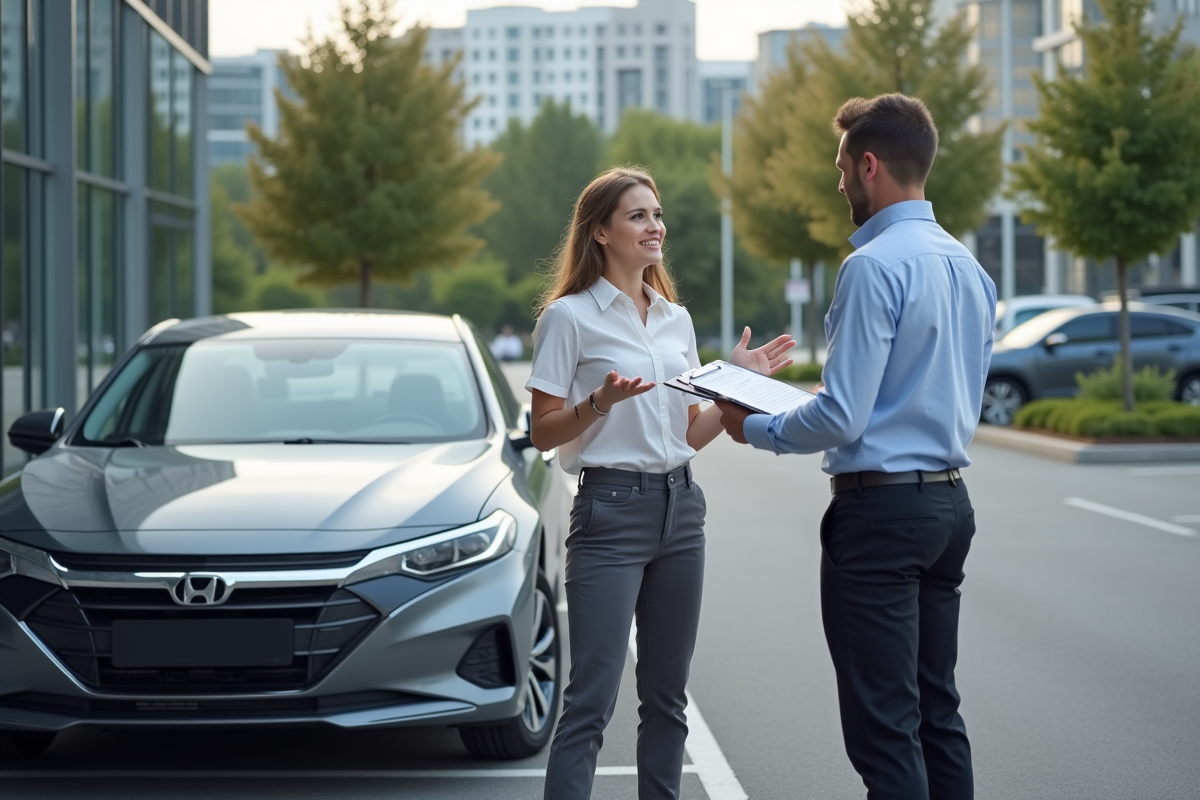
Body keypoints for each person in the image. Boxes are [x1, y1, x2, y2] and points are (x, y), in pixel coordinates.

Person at [717, 94, 996, 800]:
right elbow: (921, 391)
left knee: (885, 730)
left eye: (842, 168)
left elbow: (843, 416)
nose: (839, 184)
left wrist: (749, 426)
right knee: (937, 713)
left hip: (880, 520)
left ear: (869, 165)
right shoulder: (969, 267)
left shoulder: (872, 267)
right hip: (949, 509)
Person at [527, 167, 794, 800]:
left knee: (668, 699)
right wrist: (599, 402)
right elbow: (542, 433)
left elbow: (688, 434)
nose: (656, 227)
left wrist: (733, 384)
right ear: (601, 232)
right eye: (638, 215)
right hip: (609, 512)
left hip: (681, 509)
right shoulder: (568, 318)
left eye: (657, 214)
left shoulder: (676, 320)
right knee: (590, 701)